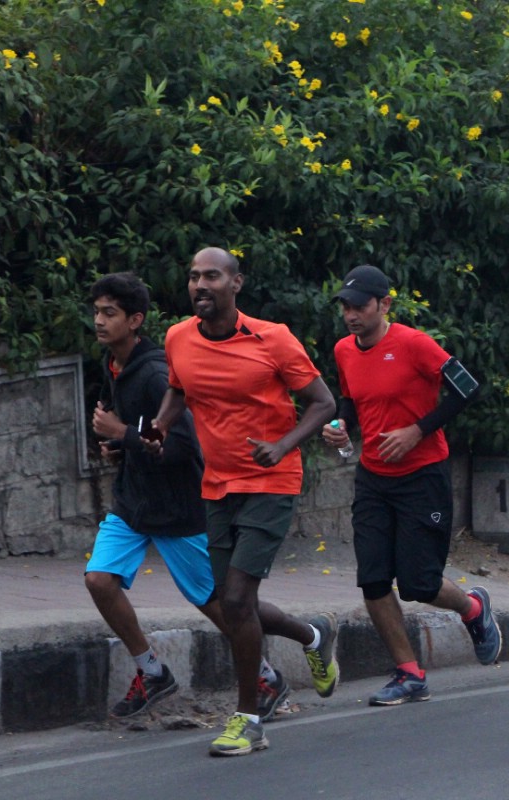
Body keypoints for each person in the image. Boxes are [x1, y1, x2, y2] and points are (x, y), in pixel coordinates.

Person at [152, 247, 340, 757]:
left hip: (271, 481)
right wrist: (162, 424)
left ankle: (248, 718)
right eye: (193, 277)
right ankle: (312, 636)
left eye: (211, 276)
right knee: (236, 604)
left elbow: (324, 403)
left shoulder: (273, 339)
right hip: (217, 486)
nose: (200, 285)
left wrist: (283, 444)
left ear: (237, 283)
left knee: (235, 600)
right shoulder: (178, 338)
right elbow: (177, 389)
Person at [87, 273, 291, 724]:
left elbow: (181, 447)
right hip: (133, 504)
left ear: (135, 320)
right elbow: (141, 436)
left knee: (218, 603)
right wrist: (118, 445)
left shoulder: (158, 372)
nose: (99, 321)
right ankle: (152, 670)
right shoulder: (115, 364)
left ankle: (265, 677)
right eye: (97, 312)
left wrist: (123, 433)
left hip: (180, 508)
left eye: (110, 313)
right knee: (100, 580)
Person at [322, 265, 501, 707]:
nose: (351, 315)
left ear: (384, 305)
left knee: (419, 583)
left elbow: (467, 388)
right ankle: (408, 672)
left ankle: (473, 608)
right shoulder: (344, 350)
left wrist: (417, 431)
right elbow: (349, 397)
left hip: (423, 476)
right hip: (373, 478)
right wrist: (342, 425)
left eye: (360, 306)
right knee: (374, 579)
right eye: (345, 306)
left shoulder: (414, 344)